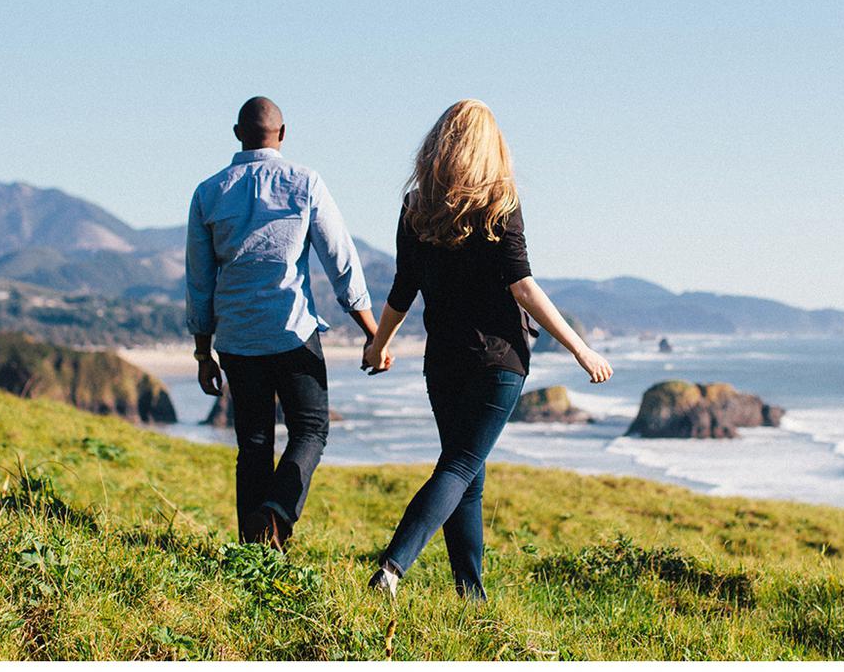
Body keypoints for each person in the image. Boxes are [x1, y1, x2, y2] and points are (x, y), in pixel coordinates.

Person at [361, 99, 613, 600]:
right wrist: (582, 351)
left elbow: (402, 289)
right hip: (498, 362)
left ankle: (470, 597)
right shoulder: (500, 201)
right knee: (458, 467)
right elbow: (523, 287)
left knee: (466, 472)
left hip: (444, 362)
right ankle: (391, 568)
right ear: (490, 148)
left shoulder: (415, 209)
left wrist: (378, 345)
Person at [186, 96, 378, 550]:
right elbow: (340, 261)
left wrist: (202, 351)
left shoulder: (207, 192)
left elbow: (199, 280)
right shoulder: (305, 182)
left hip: (236, 339)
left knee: (253, 443)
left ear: (237, 133)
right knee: (311, 429)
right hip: (293, 333)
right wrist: (373, 331)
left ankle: (255, 553)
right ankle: (275, 515)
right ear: (283, 134)